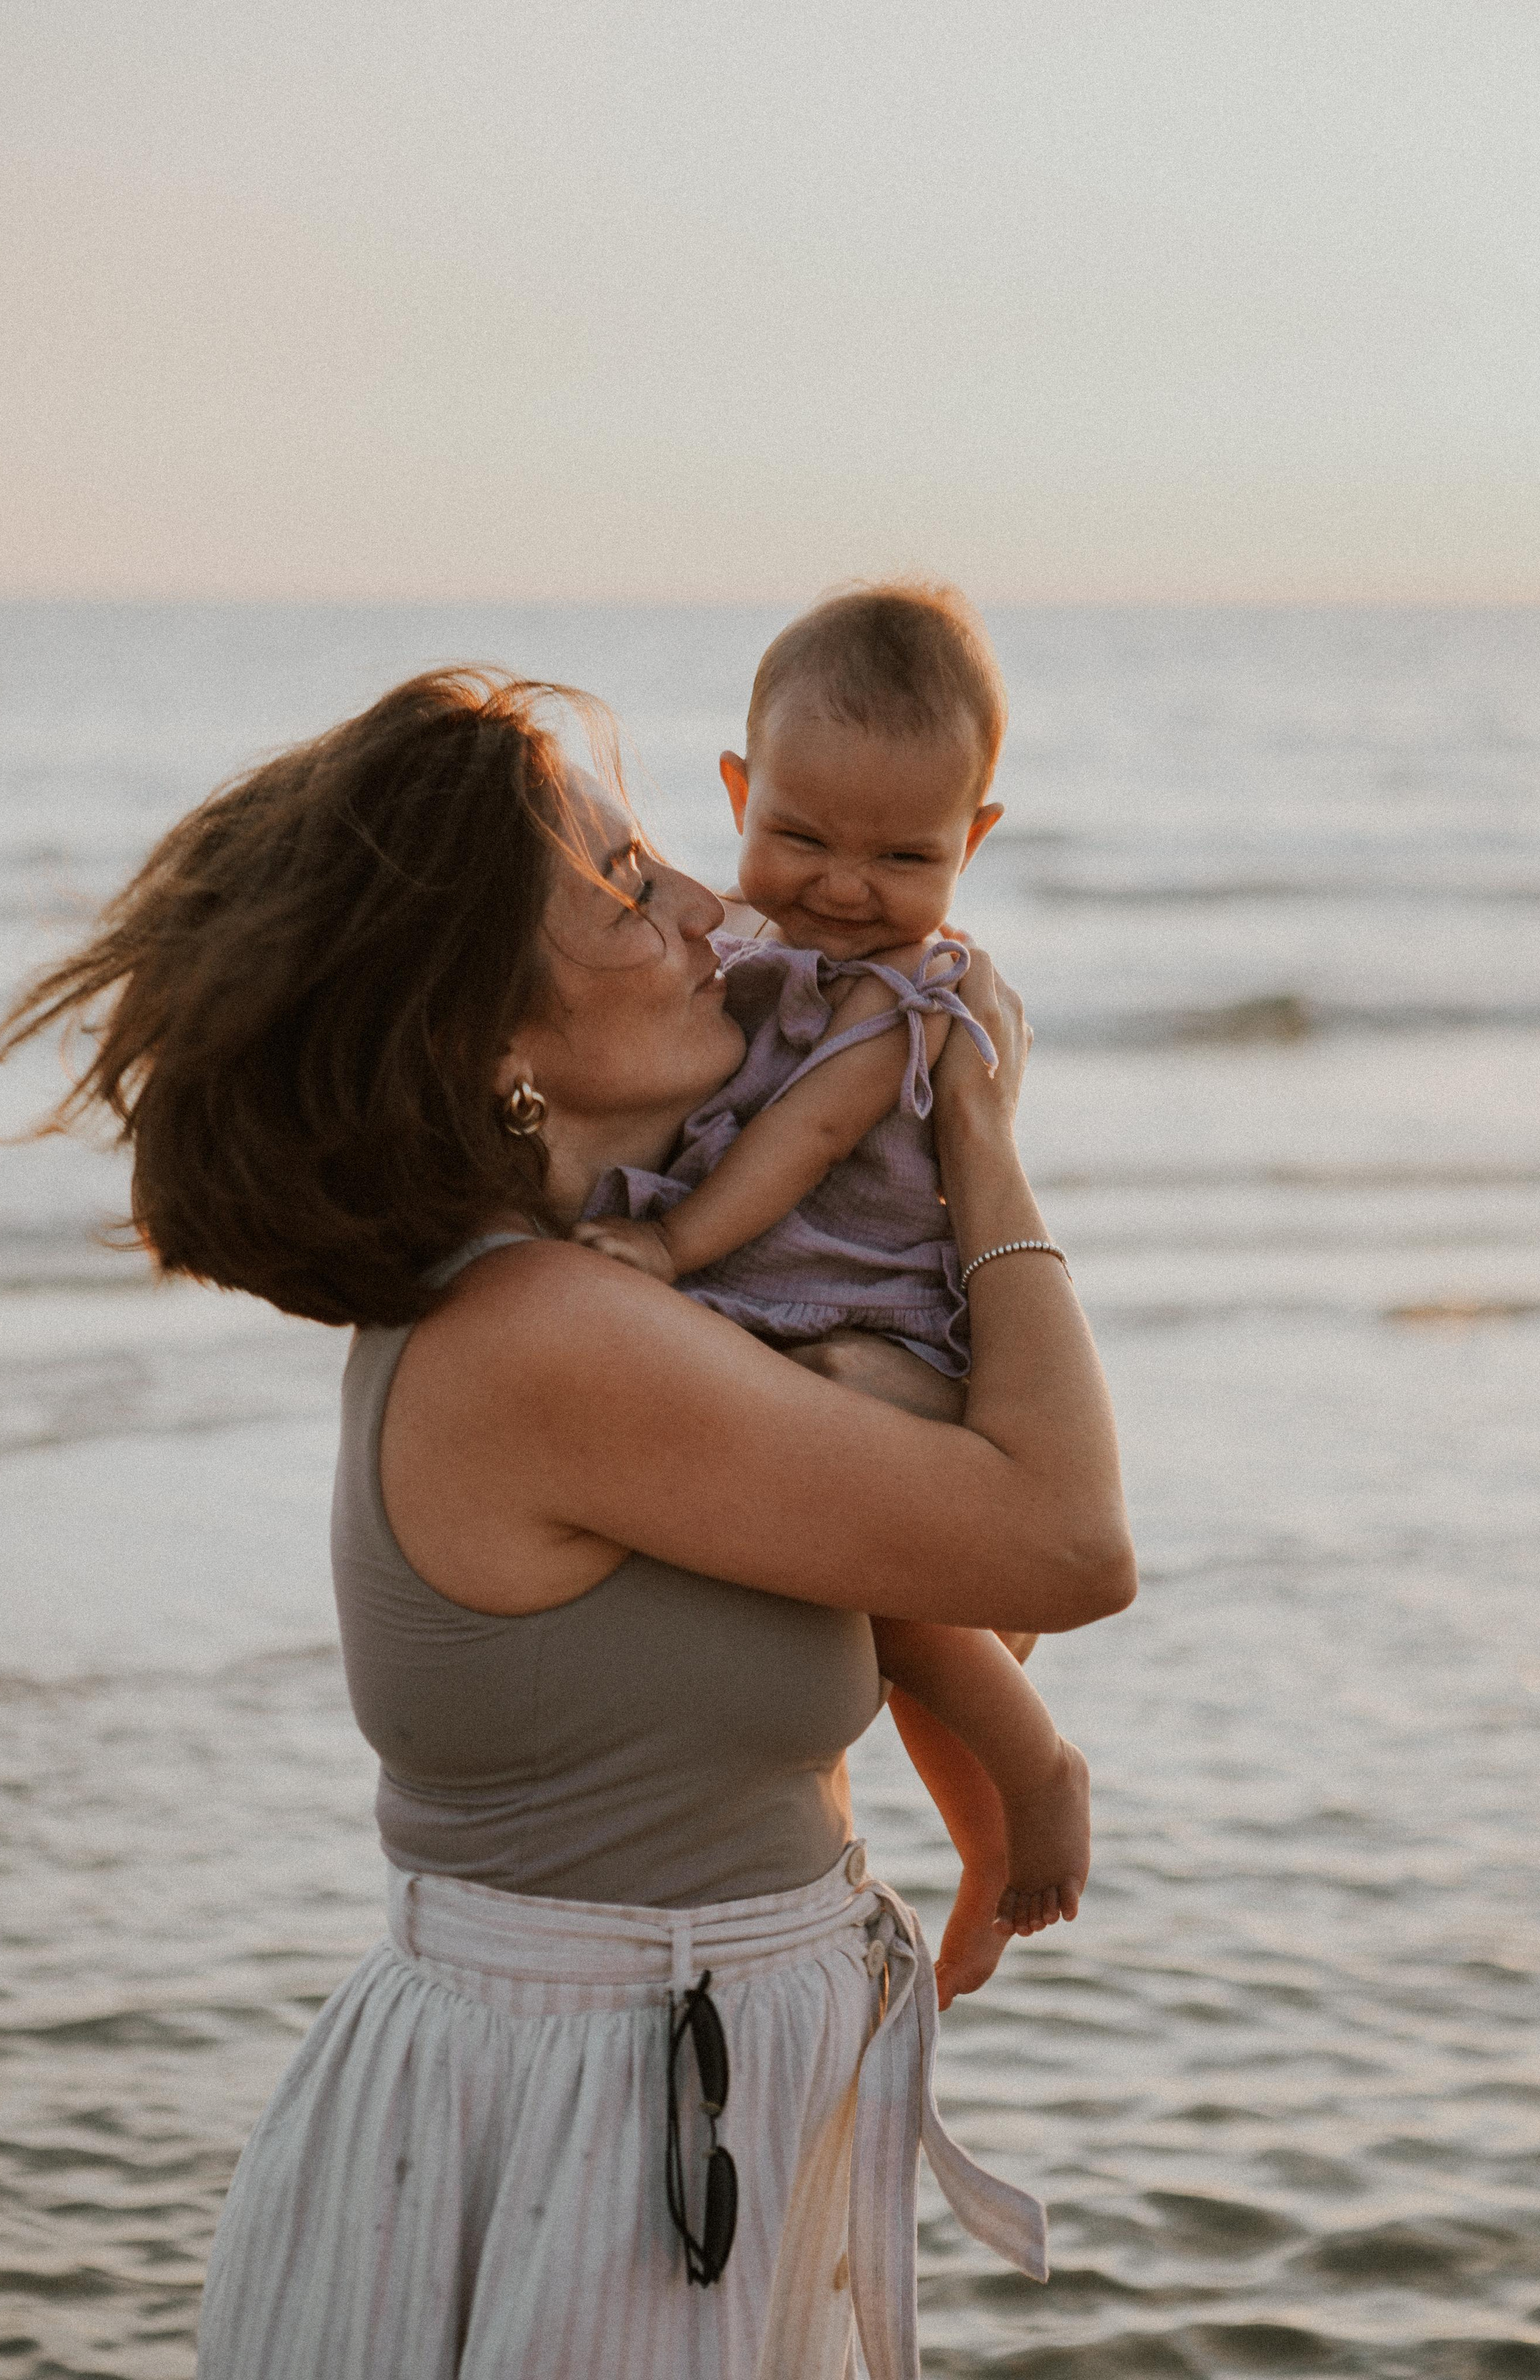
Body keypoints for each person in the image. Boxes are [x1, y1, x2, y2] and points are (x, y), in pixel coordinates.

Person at [0, 666, 1135, 2380]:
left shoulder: (596, 1305)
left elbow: (928, 1580)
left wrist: (1016, 1774)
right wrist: (974, 1121)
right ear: (491, 1038)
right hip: (596, 2136)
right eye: (620, 883)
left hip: (658, 2101)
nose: (701, 904)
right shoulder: (552, 1339)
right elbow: (1063, 1548)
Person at [576, 583, 1088, 1973]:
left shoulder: (896, 993)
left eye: (902, 856)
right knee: (871, 1598)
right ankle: (981, 1826)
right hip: (769, 1311)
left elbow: (798, 1142)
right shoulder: (734, 948)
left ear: (971, 842)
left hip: (866, 1319)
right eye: (797, 836)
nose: (846, 887)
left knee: (878, 1569)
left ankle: (1026, 1783)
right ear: (737, 790)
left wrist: (672, 1247)